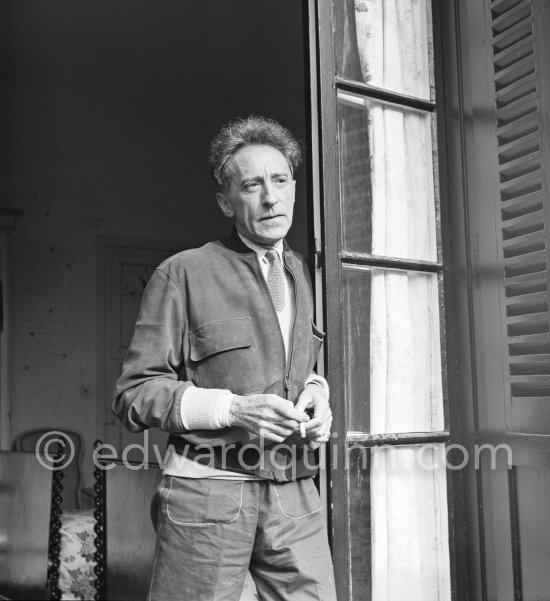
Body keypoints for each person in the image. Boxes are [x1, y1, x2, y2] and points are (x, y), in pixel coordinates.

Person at [112, 115, 337, 601]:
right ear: (226, 202)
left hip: (295, 491)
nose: (270, 197)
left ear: (295, 189)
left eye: (279, 181)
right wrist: (233, 409)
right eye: (252, 185)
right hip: (207, 493)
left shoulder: (301, 272)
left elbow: (300, 364)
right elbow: (133, 396)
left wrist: (318, 393)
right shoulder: (182, 273)